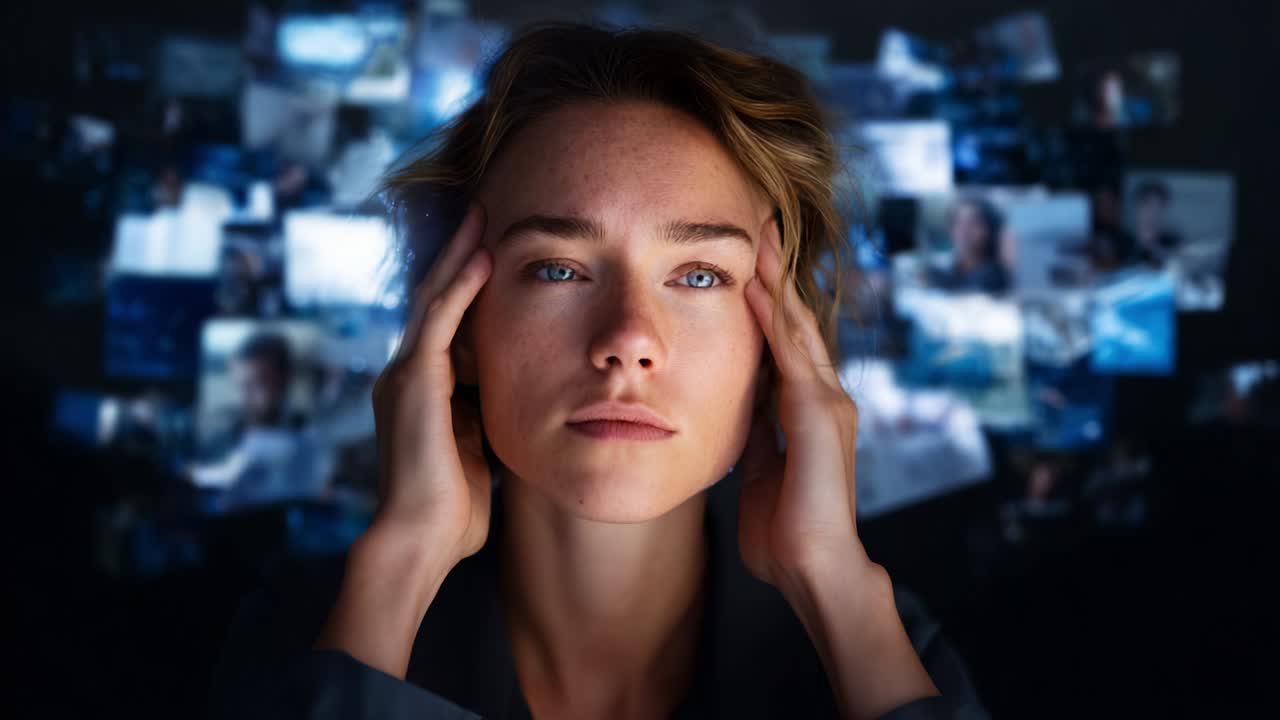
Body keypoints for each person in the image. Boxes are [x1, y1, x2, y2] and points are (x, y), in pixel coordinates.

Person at [211, 23, 988, 719]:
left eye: (698, 276)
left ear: (778, 345)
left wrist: (836, 587)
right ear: (458, 324)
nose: (627, 340)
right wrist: (401, 566)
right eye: (557, 269)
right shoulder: (309, 635)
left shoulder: (880, 652)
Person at [925, 197, 1012, 295]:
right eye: (958, 222)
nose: (964, 231)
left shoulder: (993, 276)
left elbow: (965, 293)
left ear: (990, 230)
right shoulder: (949, 267)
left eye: (974, 223)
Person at [1130, 179, 1183, 268]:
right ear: (1137, 208)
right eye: (1147, 205)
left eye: (1159, 207)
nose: (1153, 214)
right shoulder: (1123, 244)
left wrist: (1154, 248)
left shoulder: (1175, 243)